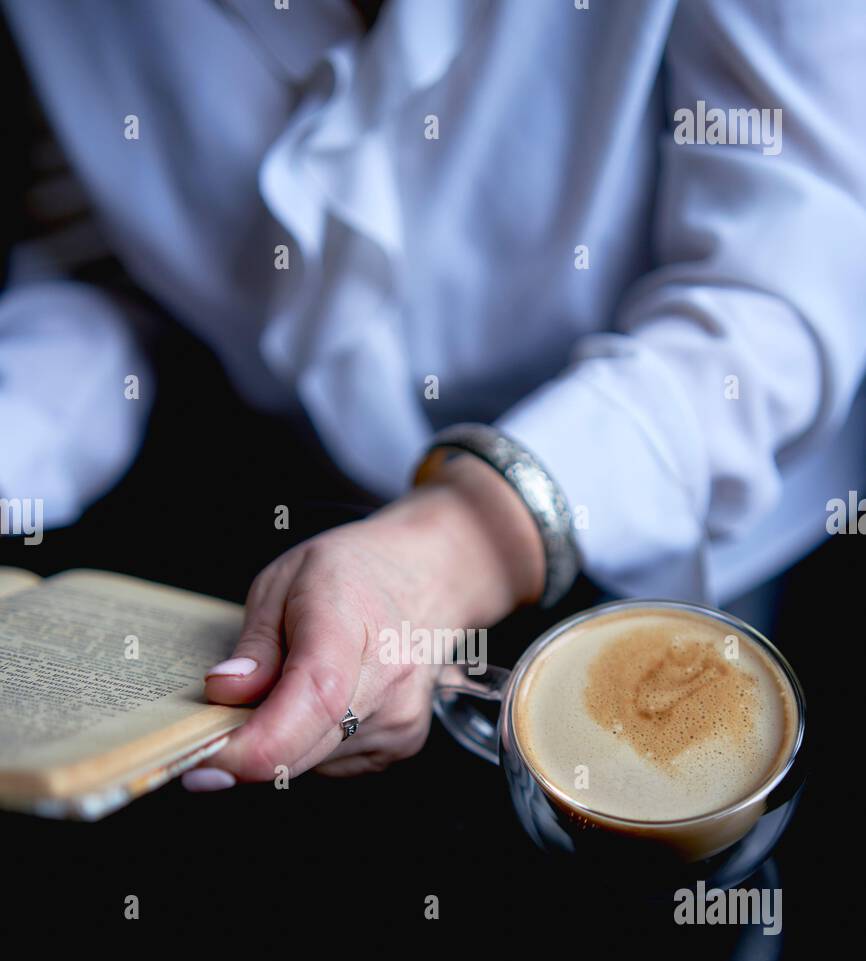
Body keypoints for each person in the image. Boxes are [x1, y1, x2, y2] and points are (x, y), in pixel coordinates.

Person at [1, 0, 865, 788]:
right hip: (296, 536)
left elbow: (785, 286)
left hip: (688, 542)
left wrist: (462, 544)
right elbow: (103, 247)